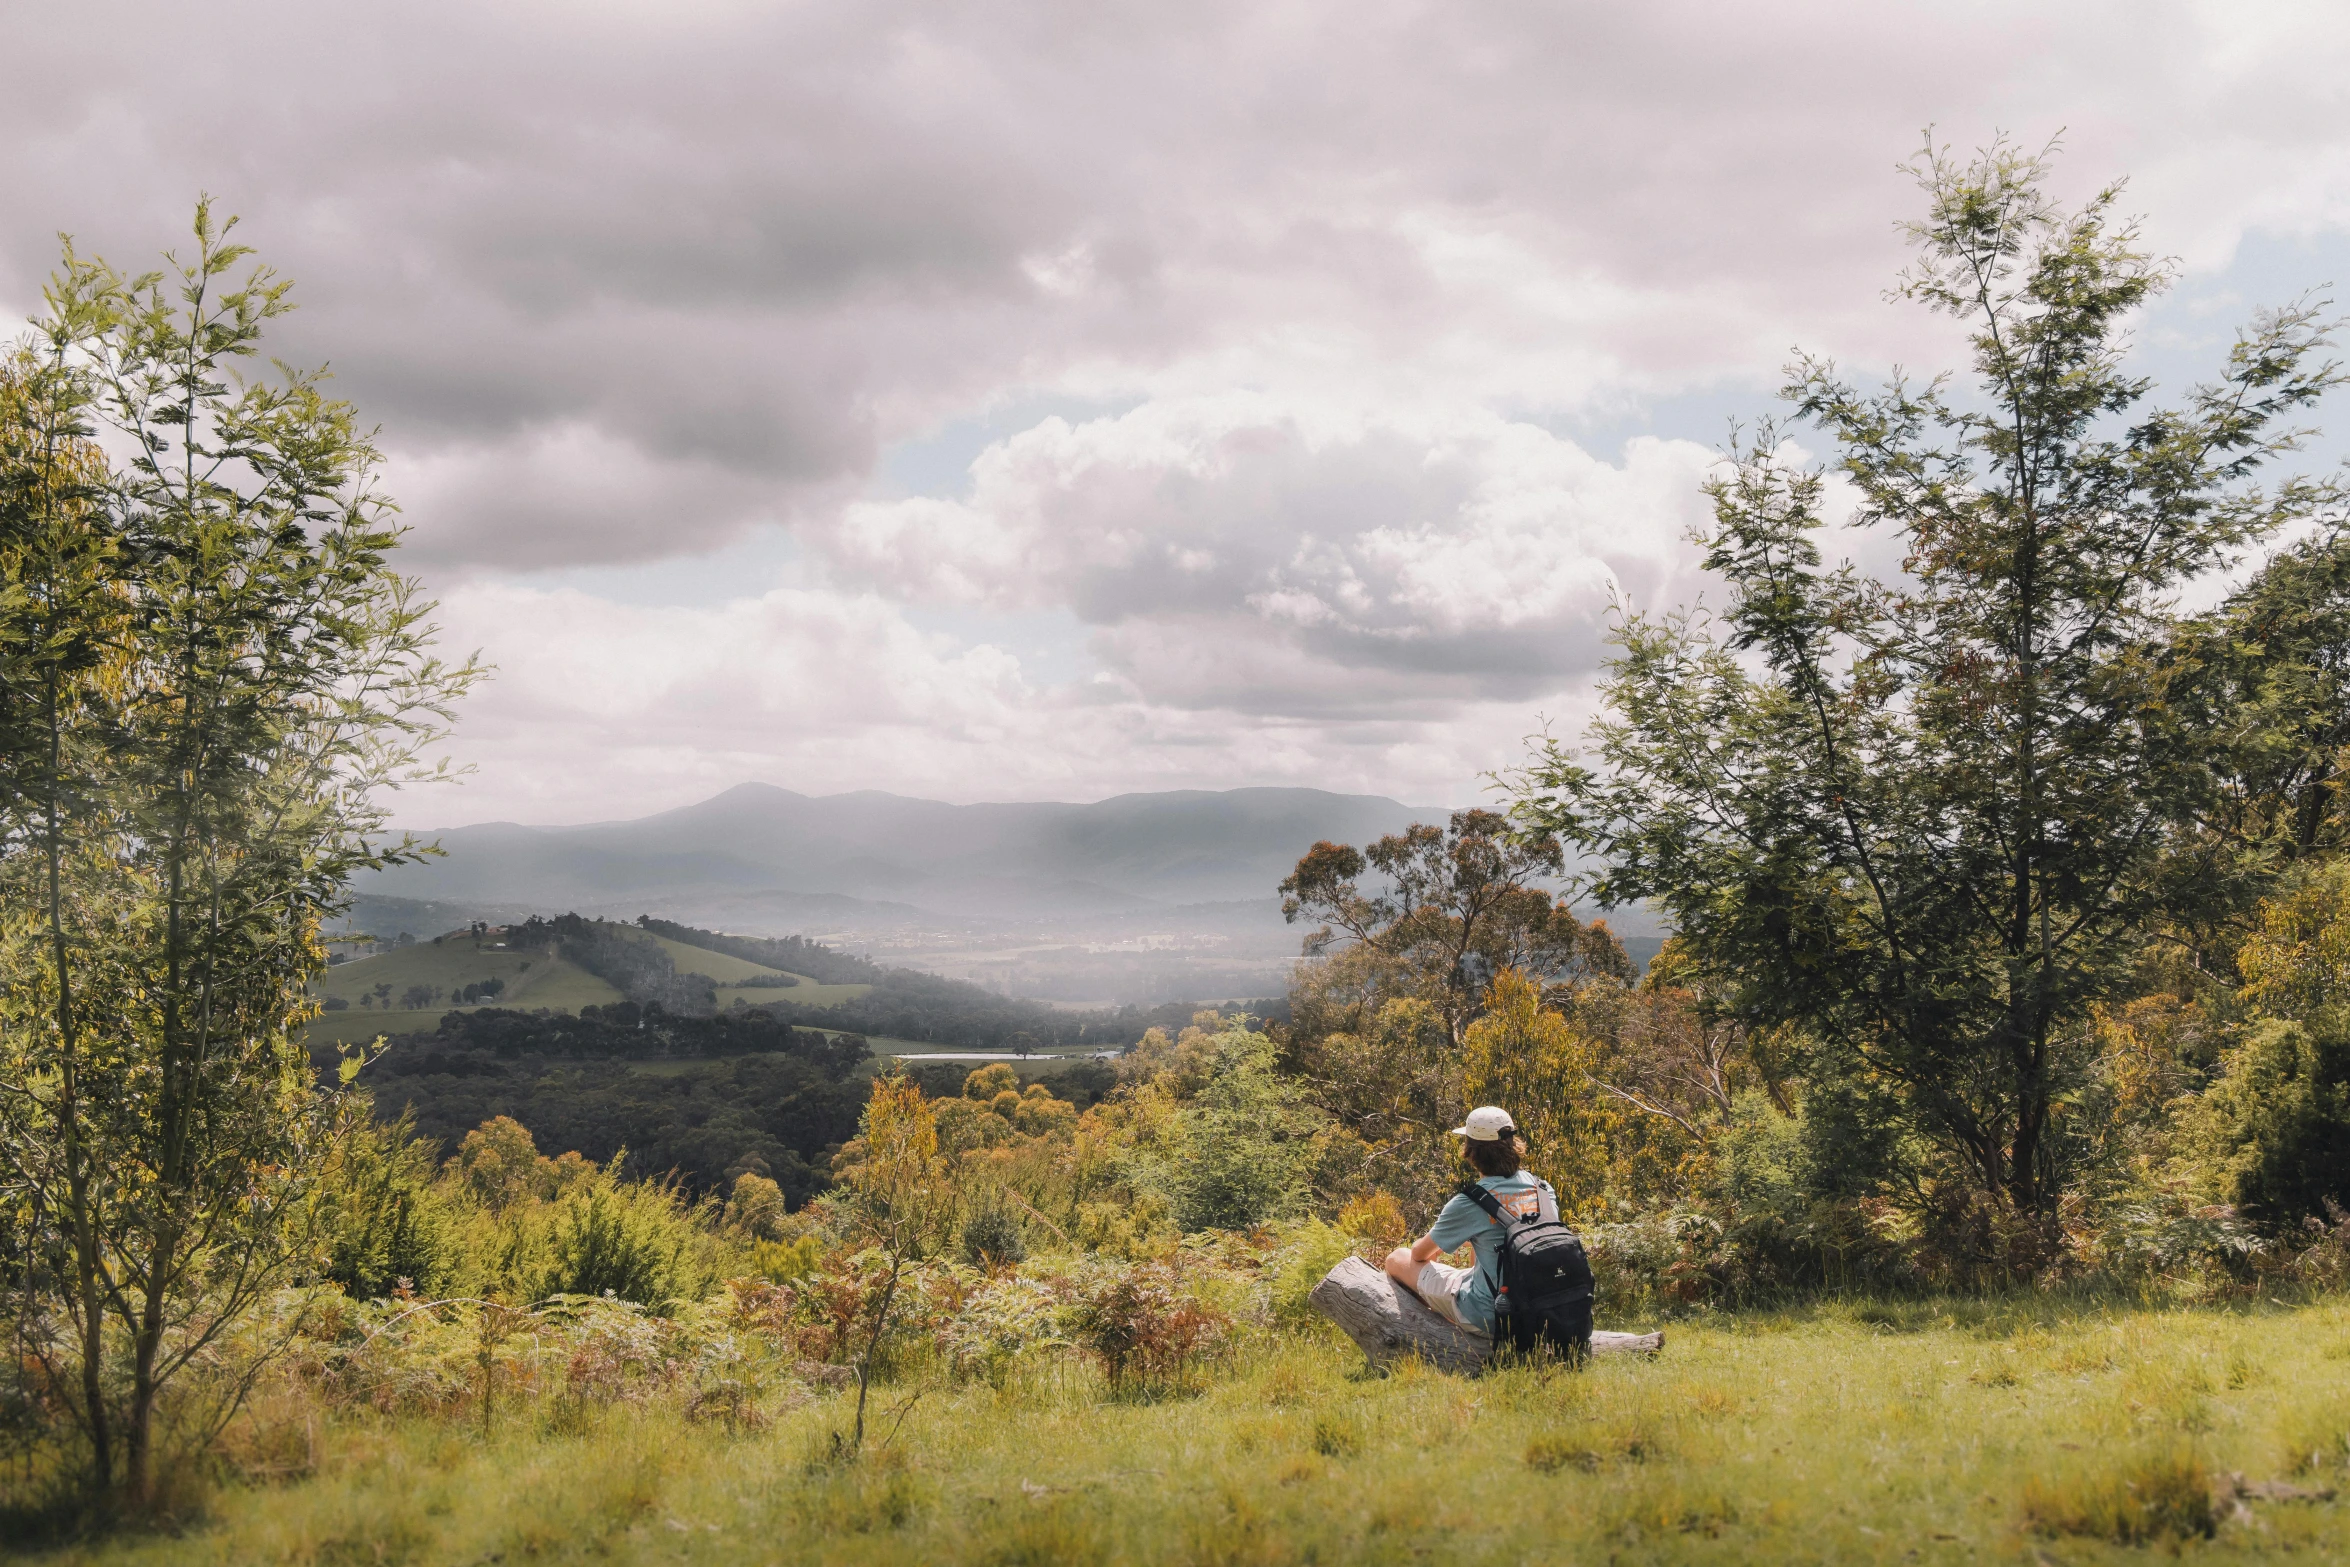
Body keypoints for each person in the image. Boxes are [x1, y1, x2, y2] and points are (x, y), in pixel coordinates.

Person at [1382, 1104, 1559, 1336]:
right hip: (1544, 1311)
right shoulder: (1543, 1189)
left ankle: (1428, 1336)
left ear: (1471, 1152)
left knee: (1397, 1258)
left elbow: (1418, 1255)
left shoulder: (1471, 1202)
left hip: (1493, 1317)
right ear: (1513, 1144)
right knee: (1480, 1250)